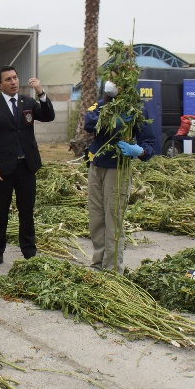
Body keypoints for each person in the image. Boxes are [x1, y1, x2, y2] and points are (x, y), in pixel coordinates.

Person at [0, 65, 55, 268]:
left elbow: (48, 116)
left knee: (26, 211)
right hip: (2, 169)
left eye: (15, 77)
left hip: (26, 166)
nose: (13, 82)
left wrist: (41, 92)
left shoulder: (27, 102)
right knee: (0, 212)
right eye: (8, 79)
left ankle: (29, 252)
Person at [84, 80, 156, 273]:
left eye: (117, 81)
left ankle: (112, 269)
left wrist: (138, 150)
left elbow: (149, 143)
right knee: (96, 218)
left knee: (113, 219)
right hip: (96, 166)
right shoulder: (101, 105)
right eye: (110, 80)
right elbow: (89, 122)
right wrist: (112, 118)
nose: (111, 84)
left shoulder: (137, 110)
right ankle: (97, 263)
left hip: (117, 169)